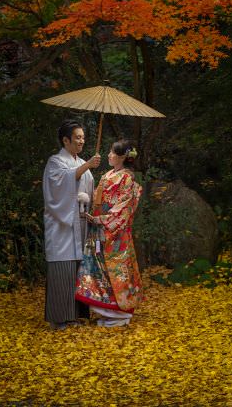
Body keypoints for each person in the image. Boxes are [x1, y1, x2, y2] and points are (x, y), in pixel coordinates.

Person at [76, 139, 143, 327]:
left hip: (115, 232)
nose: (108, 155)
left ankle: (120, 313)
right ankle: (109, 313)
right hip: (100, 229)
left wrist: (103, 219)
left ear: (121, 156)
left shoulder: (127, 178)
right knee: (101, 270)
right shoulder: (108, 175)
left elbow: (124, 207)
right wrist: (88, 206)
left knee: (116, 270)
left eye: (112, 152)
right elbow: (98, 198)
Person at [42, 120, 101, 330]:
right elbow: (60, 186)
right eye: (77, 137)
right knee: (62, 269)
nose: (81, 141)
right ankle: (59, 318)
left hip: (81, 223)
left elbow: (90, 191)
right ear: (65, 140)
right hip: (62, 225)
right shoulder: (56, 162)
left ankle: (75, 315)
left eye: (83, 137)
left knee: (77, 269)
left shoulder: (82, 162)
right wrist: (87, 166)